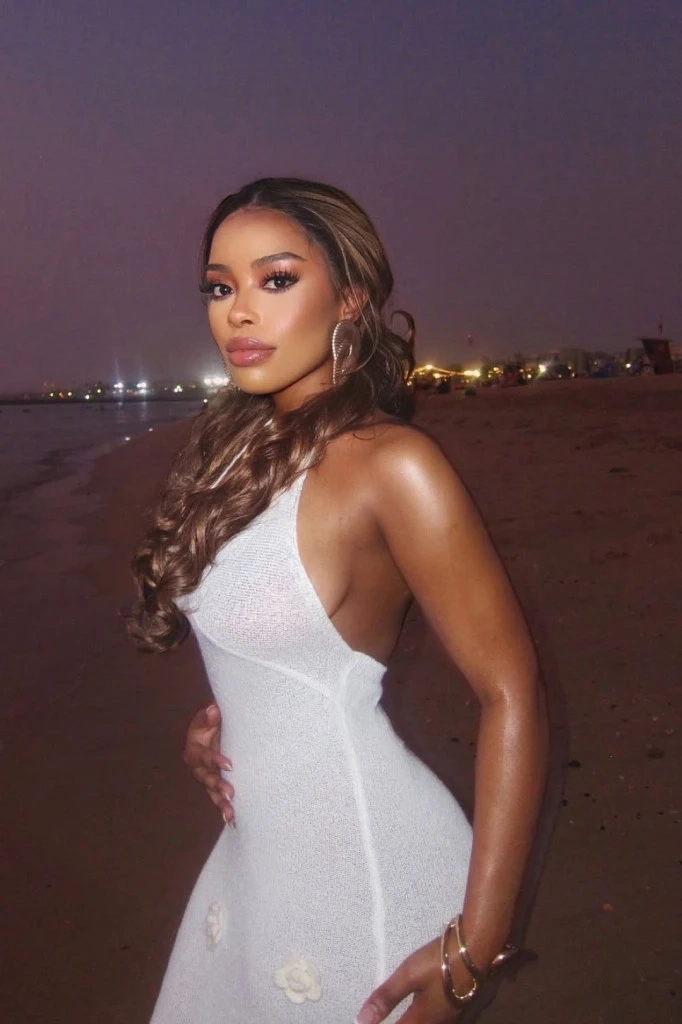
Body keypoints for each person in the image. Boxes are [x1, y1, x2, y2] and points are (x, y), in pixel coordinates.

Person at [129, 177, 548, 1024]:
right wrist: (225, 729)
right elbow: (278, 651)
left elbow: (512, 692)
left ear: (350, 296)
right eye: (220, 287)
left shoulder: (392, 466)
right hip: (255, 866)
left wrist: (476, 942)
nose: (240, 312)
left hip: (362, 878)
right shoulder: (232, 454)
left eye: (276, 279)